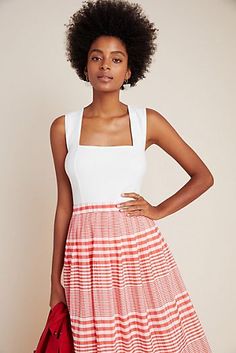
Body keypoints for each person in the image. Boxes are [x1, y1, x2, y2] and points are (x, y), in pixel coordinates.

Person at [49, 0, 214, 352]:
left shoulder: (146, 122)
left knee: (152, 340)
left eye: (116, 58)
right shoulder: (64, 128)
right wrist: (54, 280)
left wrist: (157, 210)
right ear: (84, 64)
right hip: (86, 255)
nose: (105, 65)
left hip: (138, 251)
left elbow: (202, 176)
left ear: (129, 70)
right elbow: (64, 206)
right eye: (96, 57)